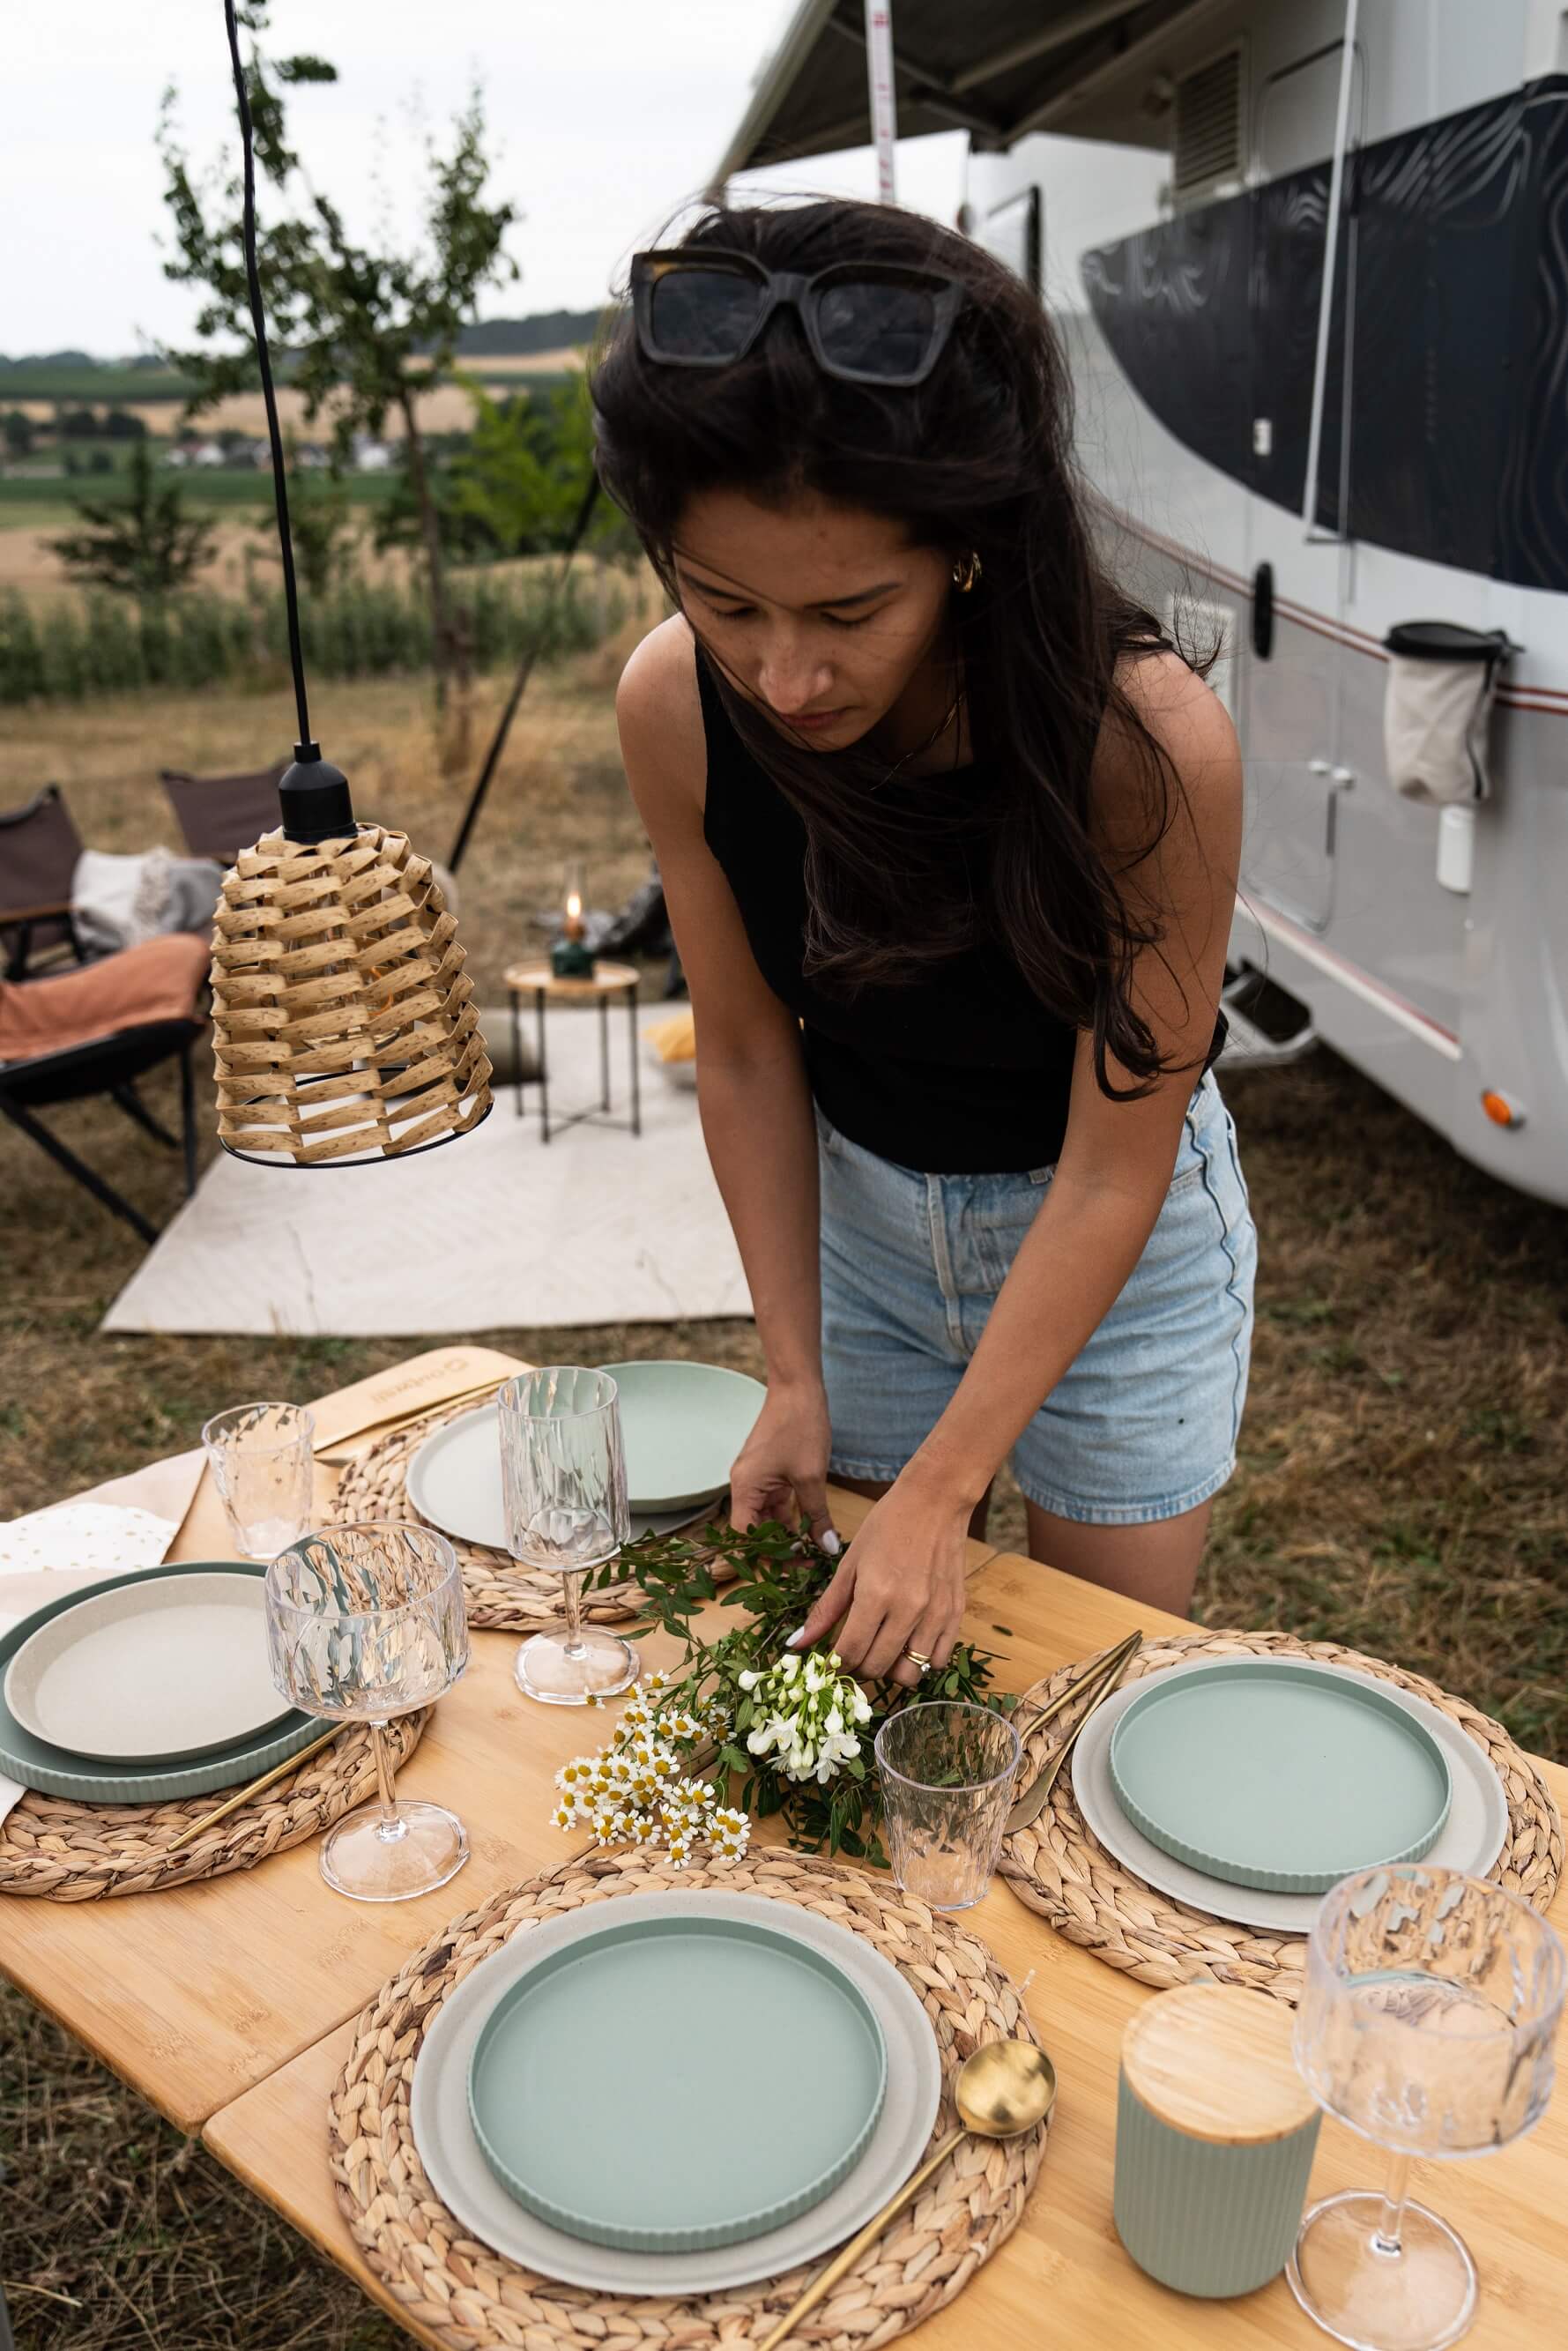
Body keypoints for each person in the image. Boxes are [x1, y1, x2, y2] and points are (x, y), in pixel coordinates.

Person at [594, 200, 1255, 1691]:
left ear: (966, 550)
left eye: (848, 610)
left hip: (1114, 1246)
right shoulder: (671, 709)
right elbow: (752, 1049)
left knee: (1092, 1690)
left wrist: (948, 1489)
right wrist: (792, 1367)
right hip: (865, 1232)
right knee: (865, 1693)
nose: (784, 673)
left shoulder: (1141, 746)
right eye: (724, 601)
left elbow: (1115, 1159)